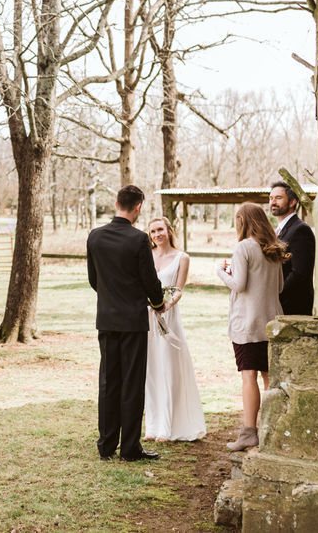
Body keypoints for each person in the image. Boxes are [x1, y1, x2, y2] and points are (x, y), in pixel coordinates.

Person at [87, 185, 165, 462]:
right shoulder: (139, 239)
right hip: (132, 321)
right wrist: (158, 302)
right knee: (132, 383)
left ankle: (106, 445)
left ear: (116, 203)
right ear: (138, 207)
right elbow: (149, 281)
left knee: (109, 381)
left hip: (107, 319)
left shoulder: (95, 236)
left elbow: (93, 280)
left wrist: (111, 299)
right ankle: (130, 448)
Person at [215, 202, 287, 451]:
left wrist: (222, 271)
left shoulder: (244, 247)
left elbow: (239, 284)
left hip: (248, 323)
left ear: (243, 221)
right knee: (269, 378)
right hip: (272, 321)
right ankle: (270, 431)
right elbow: (279, 288)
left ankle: (249, 433)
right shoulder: (273, 249)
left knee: (249, 377)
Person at [143, 217, 206, 442]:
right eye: (152, 232)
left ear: (169, 231)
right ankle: (152, 426)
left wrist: (166, 305)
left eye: (160, 230)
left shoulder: (182, 258)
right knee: (150, 370)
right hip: (147, 318)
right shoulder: (146, 256)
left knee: (168, 367)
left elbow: (178, 289)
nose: (157, 235)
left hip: (168, 317)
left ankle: (167, 426)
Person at [268, 181, 315, 316]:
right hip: (280, 305)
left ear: (292, 202)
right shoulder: (277, 230)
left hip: (294, 306)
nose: (273, 202)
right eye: (271, 198)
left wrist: (277, 293)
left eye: (278, 198)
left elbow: (299, 273)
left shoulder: (300, 230)